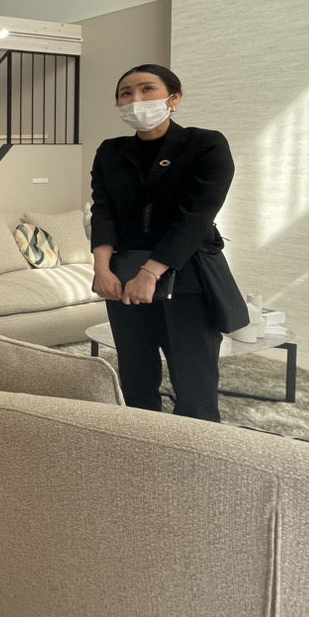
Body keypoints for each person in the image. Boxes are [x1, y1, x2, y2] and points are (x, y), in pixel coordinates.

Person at [90, 64, 234, 422]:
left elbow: (195, 217)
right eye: (125, 93)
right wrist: (101, 269)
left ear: (174, 98)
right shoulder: (110, 151)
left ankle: (196, 446)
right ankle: (143, 440)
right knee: (135, 373)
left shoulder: (205, 145)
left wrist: (151, 273)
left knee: (194, 379)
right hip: (123, 274)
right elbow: (103, 211)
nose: (135, 99)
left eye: (147, 89)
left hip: (186, 273)